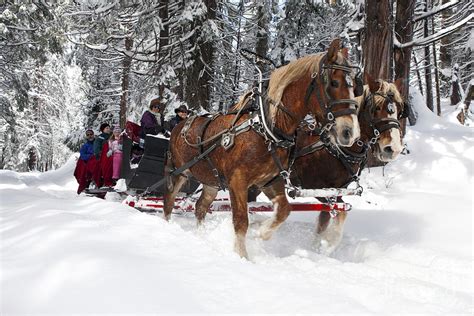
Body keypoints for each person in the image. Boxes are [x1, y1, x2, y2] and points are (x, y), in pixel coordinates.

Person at [74, 129, 98, 194]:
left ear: (93, 135)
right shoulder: (85, 146)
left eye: (91, 134)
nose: (90, 136)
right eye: (88, 135)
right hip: (89, 162)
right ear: (86, 136)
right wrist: (91, 156)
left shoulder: (98, 143)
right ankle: (92, 183)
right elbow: (82, 155)